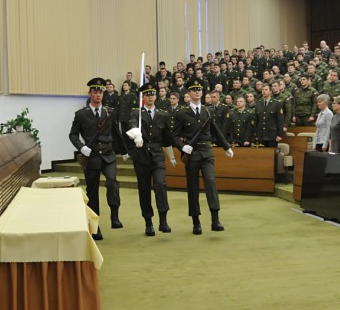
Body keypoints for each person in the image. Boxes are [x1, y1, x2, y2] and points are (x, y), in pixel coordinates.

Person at [172, 79, 233, 235]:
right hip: (191, 154)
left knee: (210, 182)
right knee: (192, 187)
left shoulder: (208, 111)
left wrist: (226, 146)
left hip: (206, 151)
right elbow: (174, 135)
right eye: (194, 90)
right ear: (189, 93)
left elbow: (215, 130)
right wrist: (181, 146)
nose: (198, 92)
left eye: (199, 89)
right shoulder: (181, 113)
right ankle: (196, 222)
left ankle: (215, 219)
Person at [69, 77, 123, 241]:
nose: (98, 94)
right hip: (91, 156)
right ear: (90, 93)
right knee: (92, 192)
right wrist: (81, 147)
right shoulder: (81, 114)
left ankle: (115, 215)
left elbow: (116, 133)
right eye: (95, 91)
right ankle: (95, 226)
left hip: (108, 155)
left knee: (112, 182)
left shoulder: (109, 112)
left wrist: (126, 151)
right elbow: (73, 134)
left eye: (101, 91)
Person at [125, 82, 175, 236]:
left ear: (156, 95)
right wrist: (137, 134)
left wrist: (171, 156)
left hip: (157, 154)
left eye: (152, 94)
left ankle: (163, 220)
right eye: (147, 94)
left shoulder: (163, 114)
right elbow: (131, 124)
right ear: (143, 97)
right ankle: (148, 222)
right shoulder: (137, 113)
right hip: (141, 155)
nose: (150, 97)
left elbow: (167, 139)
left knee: (160, 184)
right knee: (144, 189)